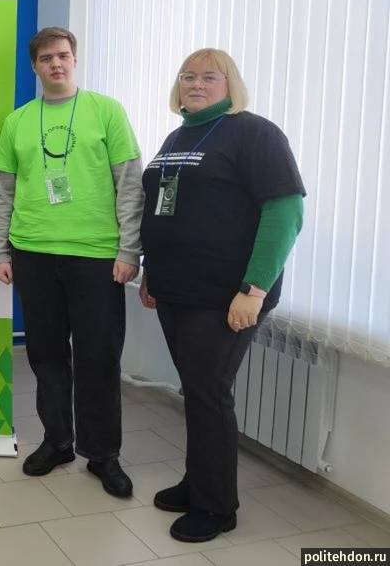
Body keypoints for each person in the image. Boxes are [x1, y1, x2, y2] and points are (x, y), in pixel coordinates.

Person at [139, 48, 304, 543]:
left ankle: (216, 506)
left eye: (210, 76)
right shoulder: (178, 136)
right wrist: (151, 273)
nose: (196, 83)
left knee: (209, 392)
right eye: (187, 76)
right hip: (177, 289)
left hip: (226, 295)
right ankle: (198, 482)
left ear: (231, 85)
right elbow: (165, 210)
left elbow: (285, 211)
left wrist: (253, 290)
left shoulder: (255, 134)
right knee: (196, 390)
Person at [0, 27, 143, 497]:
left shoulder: (107, 111)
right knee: (47, 356)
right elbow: (3, 192)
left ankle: (103, 455)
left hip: (96, 256)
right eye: (46, 58)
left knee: (99, 357)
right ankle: (57, 441)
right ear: (34, 66)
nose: (55, 64)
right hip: (33, 253)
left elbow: (130, 184)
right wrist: (0, 249)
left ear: (75, 59)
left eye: (62, 55)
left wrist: (129, 250)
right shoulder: (17, 122)